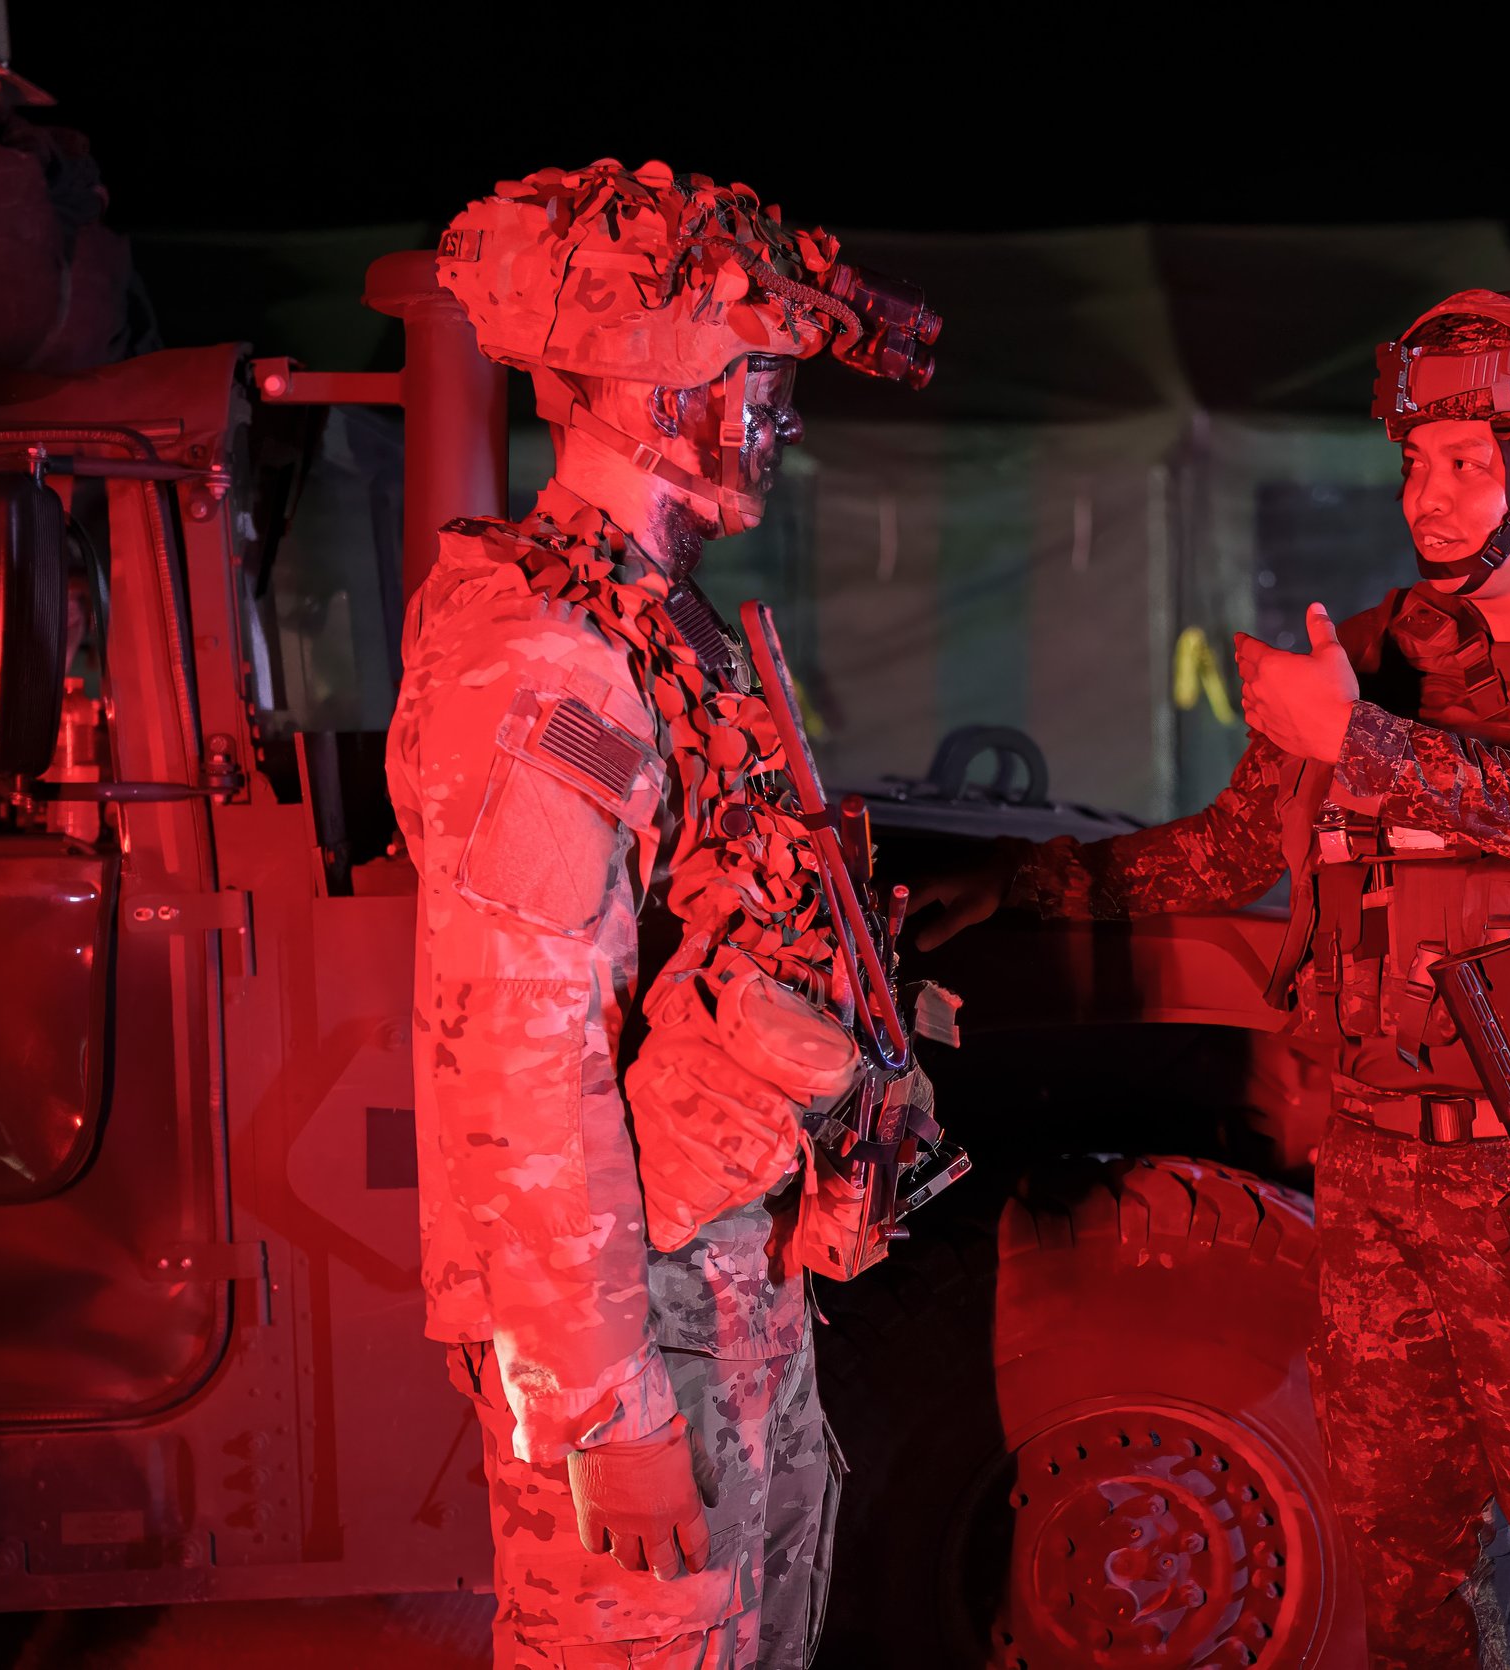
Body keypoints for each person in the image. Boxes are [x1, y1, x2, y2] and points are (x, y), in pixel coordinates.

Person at [912, 289, 1510, 1668]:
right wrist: (1027, 883)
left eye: (1468, 462)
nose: (1428, 491)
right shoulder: (1360, 657)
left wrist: (1359, 747)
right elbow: (1232, 849)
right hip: (1369, 1186)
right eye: (1417, 460)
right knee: (1403, 1577)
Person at [388, 160, 939, 1670]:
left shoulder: (660, 625)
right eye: (755, 375)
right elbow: (518, 1065)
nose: (783, 413)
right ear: (647, 390)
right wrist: (605, 1409)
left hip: (725, 1284)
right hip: (637, 1319)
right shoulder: (545, 657)